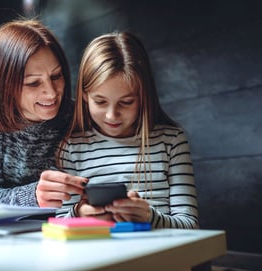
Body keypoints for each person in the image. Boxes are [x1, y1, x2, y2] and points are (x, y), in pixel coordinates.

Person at [55, 31, 199, 229]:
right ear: (85, 95)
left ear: (143, 96)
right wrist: (79, 213)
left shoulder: (171, 140)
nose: (112, 115)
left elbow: (190, 225)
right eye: (100, 101)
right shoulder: (72, 147)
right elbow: (58, 225)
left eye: (126, 102)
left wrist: (150, 217)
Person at [0, 19, 87, 215]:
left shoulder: (73, 115)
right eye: (33, 83)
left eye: (56, 77)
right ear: (5, 83)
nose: (52, 93)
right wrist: (34, 196)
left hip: (53, 228)